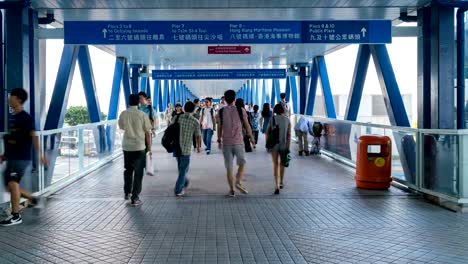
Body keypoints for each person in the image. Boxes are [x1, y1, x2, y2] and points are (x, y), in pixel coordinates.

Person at [0, 88, 48, 226]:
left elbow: (33, 136)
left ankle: (16, 216)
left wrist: (41, 154)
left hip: (21, 157)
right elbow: (12, 139)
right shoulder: (13, 117)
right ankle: (32, 199)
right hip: (12, 157)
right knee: (9, 187)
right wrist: (4, 155)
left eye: (12, 97)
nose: (9, 99)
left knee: (13, 183)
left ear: (18, 100)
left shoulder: (26, 118)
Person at [217, 90, 255, 197]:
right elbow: (247, 125)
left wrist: (219, 140)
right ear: (234, 98)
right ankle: (238, 181)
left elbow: (219, 127)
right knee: (242, 163)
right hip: (238, 142)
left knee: (229, 167)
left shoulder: (221, 111)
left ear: (224, 99)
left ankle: (232, 190)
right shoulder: (241, 110)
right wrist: (251, 138)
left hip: (226, 143)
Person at [118, 94, 152, 206]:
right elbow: (147, 132)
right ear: (138, 102)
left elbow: (122, 127)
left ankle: (127, 192)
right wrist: (149, 148)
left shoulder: (123, 114)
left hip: (127, 147)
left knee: (128, 170)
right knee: (138, 173)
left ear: (128, 102)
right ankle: (135, 198)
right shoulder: (142, 115)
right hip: (139, 147)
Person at [172, 101, 201, 196]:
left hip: (176, 147)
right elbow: (198, 135)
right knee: (183, 169)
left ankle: (185, 181)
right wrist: (198, 147)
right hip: (186, 149)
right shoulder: (195, 121)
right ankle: (178, 190)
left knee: (181, 168)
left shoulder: (176, 118)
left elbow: (170, 129)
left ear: (184, 108)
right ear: (193, 110)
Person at [266, 104, 291, 195]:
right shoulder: (287, 120)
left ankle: (276, 185)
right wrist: (288, 146)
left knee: (275, 164)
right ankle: (281, 182)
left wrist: (267, 144)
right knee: (282, 164)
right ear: (283, 110)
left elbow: (267, 132)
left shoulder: (272, 119)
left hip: (274, 145)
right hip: (284, 145)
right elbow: (289, 135)